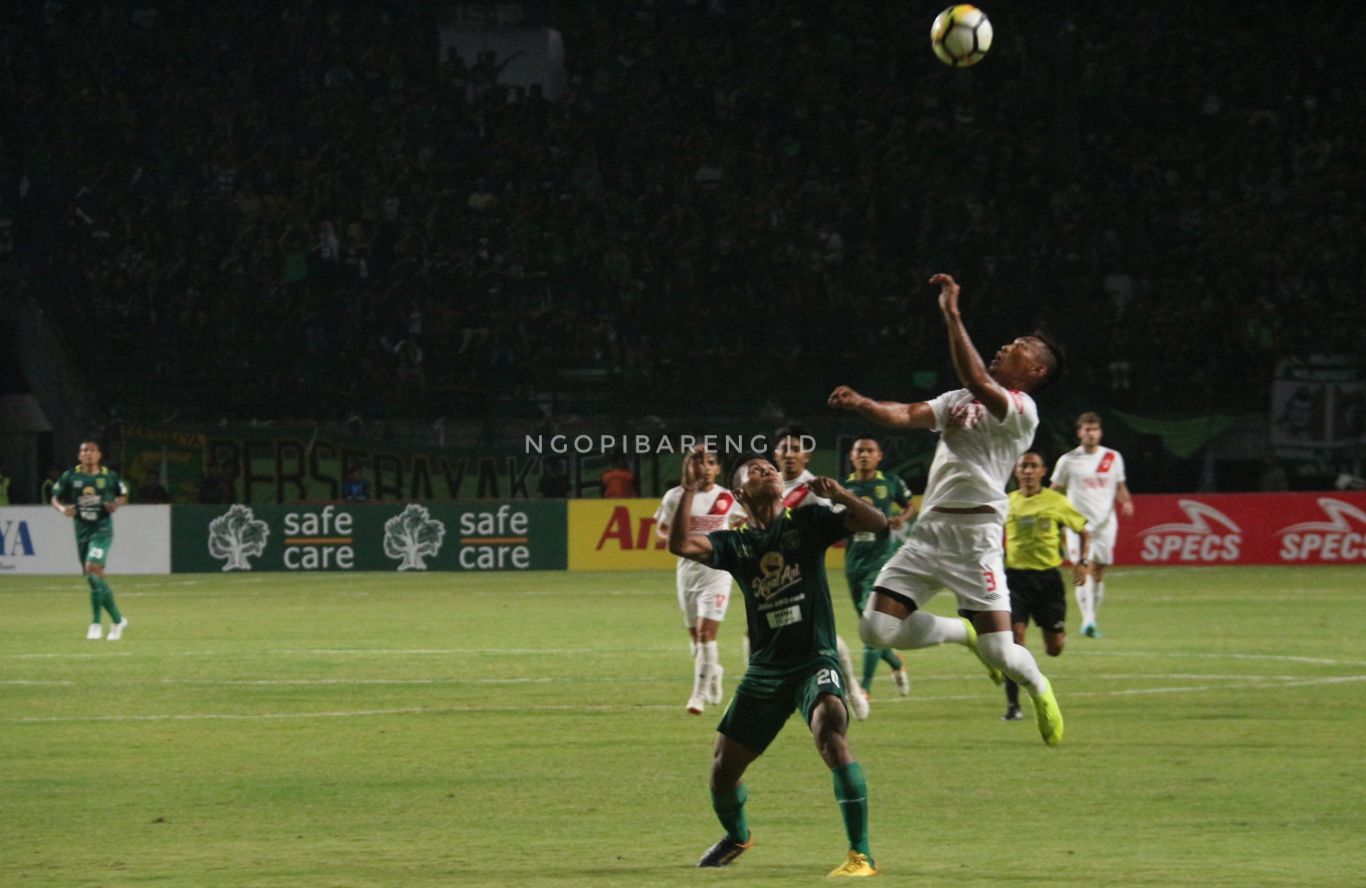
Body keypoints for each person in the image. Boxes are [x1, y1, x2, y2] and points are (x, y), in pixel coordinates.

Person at [828, 272, 1065, 746]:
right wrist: (862, 404)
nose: (1004, 347)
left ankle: (1039, 687)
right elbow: (907, 414)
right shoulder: (959, 401)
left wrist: (952, 313)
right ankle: (960, 633)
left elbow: (975, 375)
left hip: (976, 540)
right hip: (930, 534)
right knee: (876, 628)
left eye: (1017, 347)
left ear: (1034, 371)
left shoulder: (1021, 410)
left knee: (1002, 652)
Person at [669, 451, 887, 877]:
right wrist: (690, 489)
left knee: (830, 725)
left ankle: (861, 855)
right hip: (765, 671)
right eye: (756, 470)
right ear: (739, 493)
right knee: (722, 772)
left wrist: (842, 495)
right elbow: (680, 544)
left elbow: (878, 524)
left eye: (770, 467)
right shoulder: (735, 543)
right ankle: (738, 836)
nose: (767, 470)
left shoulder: (808, 522)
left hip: (814, 659)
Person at [772, 426, 870, 721]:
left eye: (795, 448)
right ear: (775, 454)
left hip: (801, 574)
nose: (789, 454)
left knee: (816, 638)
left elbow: (830, 527)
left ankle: (851, 688)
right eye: (784, 448)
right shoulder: (768, 484)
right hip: (768, 574)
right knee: (764, 634)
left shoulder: (813, 489)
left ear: (806, 456)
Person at [1001, 451, 1090, 721]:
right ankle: (1014, 706)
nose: (1028, 471)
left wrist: (1082, 561)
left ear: (1043, 472)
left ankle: (1032, 670)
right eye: (1023, 466)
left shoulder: (1056, 501)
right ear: (1016, 472)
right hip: (1015, 580)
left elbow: (1083, 530)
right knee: (1013, 640)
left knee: (1054, 648)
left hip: (1048, 581)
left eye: (1033, 467)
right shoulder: (1006, 503)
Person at [653, 448, 740, 714]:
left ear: (718, 469)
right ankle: (713, 670)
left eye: (710, 463)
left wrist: (730, 541)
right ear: (688, 466)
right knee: (695, 639)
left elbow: (743, 523)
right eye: (698, 462)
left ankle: (698, 696)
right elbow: (662, 527)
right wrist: (673, 537)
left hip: (717, 574)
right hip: (688, 574)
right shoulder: (675, 497)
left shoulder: (727, 497)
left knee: (706, 634)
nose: (704, 467)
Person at [842, 436, 917, 702]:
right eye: (859, 450)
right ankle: (895, 663)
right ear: (852, 457)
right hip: (853, 565)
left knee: (870, 623)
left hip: (881, 563)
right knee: (870, 628)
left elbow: (909, 504)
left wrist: (901, 518)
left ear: (879, 456)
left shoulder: (890, 482)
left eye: (869, 450)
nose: (864, 454)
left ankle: (865, 689)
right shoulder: (844, 488)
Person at [1050, 412, 1134, 638]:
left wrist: (1126, 502)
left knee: (1098, 572)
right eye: (1086, 430)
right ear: (1079, 433)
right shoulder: (1068, 460)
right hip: (1078, 526)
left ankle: (1092, 618)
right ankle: (1087, 620)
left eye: (1094, 429)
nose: (1090, 434)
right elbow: (1055, 489)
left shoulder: (1112, 458)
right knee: (1082, 568)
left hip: (1106, 523)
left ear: (1100, 432)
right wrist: (1044, 509)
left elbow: (1119, 485)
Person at [50, 440, 130, 641]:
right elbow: (54, 497)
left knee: (92, 566)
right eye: (85, 450)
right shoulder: (71, 476)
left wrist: (116, 505)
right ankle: (118, 620)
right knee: (94, 576)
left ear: (99, 455)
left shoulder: (108, 476)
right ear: (79, 455)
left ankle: (95, 623)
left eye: (92, 450)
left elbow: (124, 494)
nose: (88, 454)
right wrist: (62, 509)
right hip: (82, 531)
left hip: (102, 530)